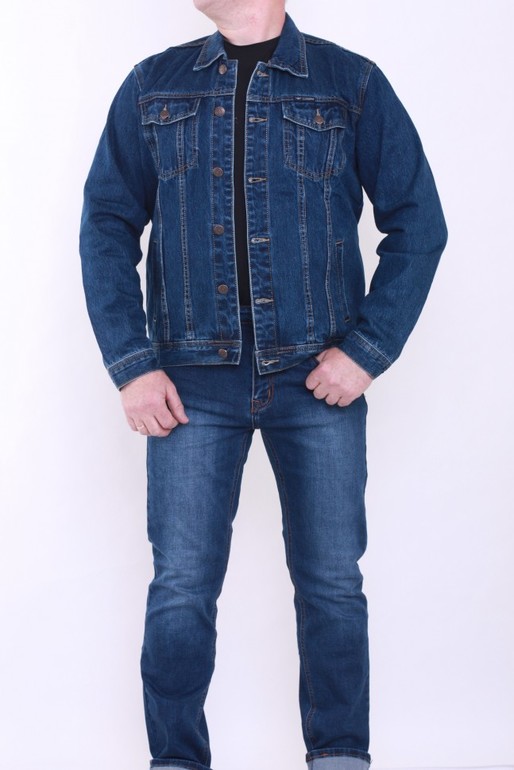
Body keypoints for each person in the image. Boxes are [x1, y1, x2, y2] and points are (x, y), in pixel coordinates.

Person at [79, 1, 447, 768]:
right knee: (181, 588)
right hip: (189, 383)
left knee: (332, 586)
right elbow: (106, 225)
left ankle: (339, 757)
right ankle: (176, 760)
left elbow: (419, 222)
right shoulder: (153, 85)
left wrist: (367, 351)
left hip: (315, 378)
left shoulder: (350, 83)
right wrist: (132, 363)